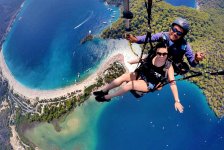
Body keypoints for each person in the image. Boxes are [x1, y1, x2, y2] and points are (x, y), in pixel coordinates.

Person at [93, 42, 184, 113]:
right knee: (124, 77)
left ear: (168, 54)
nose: (161, 56)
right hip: (142, 75)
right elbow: (143, 59)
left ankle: (107, 97)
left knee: (130, 85)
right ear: (156, 52)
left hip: (149, 84)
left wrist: (177, 101)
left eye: (164, 54)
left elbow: (172, 83)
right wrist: (132, 62)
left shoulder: (168, 66)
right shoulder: (152, 56)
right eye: (159, 53)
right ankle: (104, 90)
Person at [126, 17, 205, 73]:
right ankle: (131, 62)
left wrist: (196, 59)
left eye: (179, 33)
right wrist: (136, 39)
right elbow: (149, 38)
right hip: (156, 58)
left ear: (182, 35)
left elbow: (192, 63)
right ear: (170, 28)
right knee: (144, 60)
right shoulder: (164, 35)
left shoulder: (185, 45)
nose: (175, 33)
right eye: (174, 30)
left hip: (168, 67)